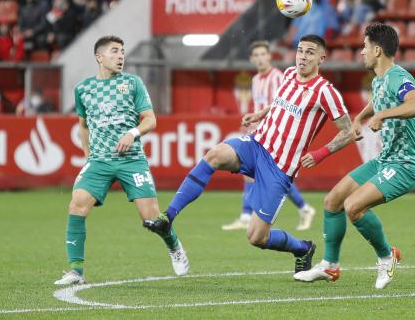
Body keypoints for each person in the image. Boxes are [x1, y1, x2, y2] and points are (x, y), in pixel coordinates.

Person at [143, 35, 355, 276]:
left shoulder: (325, 92)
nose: (303, 57)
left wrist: (320, 154)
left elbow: (349, 131)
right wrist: (259, 115)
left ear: (321, 58)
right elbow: (280, 103)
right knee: (215, 154)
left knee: (256, 237)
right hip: (257, 145)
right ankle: (167, 217)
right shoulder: (287, 75)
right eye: (300, 51)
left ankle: (303, 248)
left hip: (279, 168)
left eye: (310, 52)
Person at [294, 23, 415, 289]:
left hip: (406, 164)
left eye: (364, 47)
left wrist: (380, 116)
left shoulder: (399, 77)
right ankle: (330, 266)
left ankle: (387, 257)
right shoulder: (379, 79)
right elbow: (378, 100)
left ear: (377, 50)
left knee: (354, 207)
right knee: (333, 200)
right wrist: (361, 117)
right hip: (385, 159)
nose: (361, 52)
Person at [54, 36, 188, 286]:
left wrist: (132, 133)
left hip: (132, 160)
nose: (120, 56)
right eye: (115, 51)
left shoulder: (132, 83)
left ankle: (174, 246)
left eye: (122, 52)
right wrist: (87, 157)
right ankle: (76, 271)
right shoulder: (83, 89)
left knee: (152, 218)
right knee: (77, 205)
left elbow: (150, 119)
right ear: (99, 57)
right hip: (100, 161)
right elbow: (83, 125)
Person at [222, 41, 316, 231]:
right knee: (250, 174)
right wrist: (250, 125)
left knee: (272, 176)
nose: (259, 58)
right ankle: (247, 215)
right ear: (251, 59)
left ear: (269, 56)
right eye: (255, 55)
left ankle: (302, 208)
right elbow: (260, 107)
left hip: (275, 135)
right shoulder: (256, 79)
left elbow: (282, 105)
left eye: (262, 54)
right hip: (258, 134)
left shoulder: (278, 78)